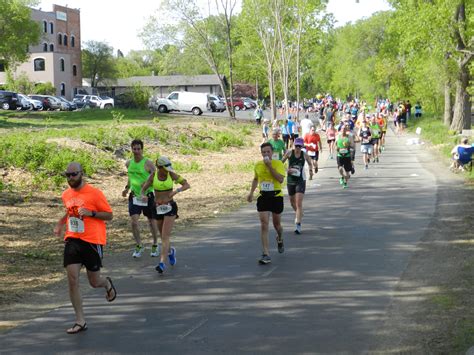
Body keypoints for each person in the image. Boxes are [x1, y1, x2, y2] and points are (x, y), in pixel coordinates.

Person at [54, 162, 115, 334]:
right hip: (73, 239)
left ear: (82, 174)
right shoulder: (66, 194)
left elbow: (109, 215)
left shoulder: (95, 193)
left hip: (92, 241)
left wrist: (91, 213)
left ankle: (107, 283)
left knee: (94, 282)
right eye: (68, 175)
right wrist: (60, 224)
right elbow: (69, 211)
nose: (71, 178)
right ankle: (80, 320)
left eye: (74, 174)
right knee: (72, 279)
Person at [141, 156, 190, 274]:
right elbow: (144, 188)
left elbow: (186, 185)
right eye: (165, 168)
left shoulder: (171, 174)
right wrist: (143, 195)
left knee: (164, 237)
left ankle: (161, 263)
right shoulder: (153, 176)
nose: (168, 170)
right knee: (163, 235)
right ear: (159, 167)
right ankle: (170, 252)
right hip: (157, 208)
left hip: (170, 207)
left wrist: (175, 191)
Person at [247, 142, 285, 264]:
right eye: (264, 152)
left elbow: (280, 179)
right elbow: (255, 179)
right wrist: (251, 193)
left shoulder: (278, 163)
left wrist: (269, 167)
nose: (266, 154)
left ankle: (279, 237)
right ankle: (266, 253)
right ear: (261, 153)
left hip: (276, 196)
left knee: (277, 225)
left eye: (268, 152)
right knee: (264, 224)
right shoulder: (258, 165)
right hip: (263, 196)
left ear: (272, 152)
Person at [122, 139, 159, 258]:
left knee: (151, 221)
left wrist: (147, 183)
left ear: (142, 149)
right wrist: (126, 188)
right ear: (131, 149)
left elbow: (155, 177)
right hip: (134, 196)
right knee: (134, 222)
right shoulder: (128, 163)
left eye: (138, 149)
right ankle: (139, 245)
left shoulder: (148, 163)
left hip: (147, 196)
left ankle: (155, 244)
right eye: (134, 149)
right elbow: (130, 177)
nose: (136, 151)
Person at [282, 137, 313, 234]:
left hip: (300, 180)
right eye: (296, 146)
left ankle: (298, 224)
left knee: (298, 203)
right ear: (294, 145)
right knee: (292, 203)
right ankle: (299, 213)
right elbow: (280, 163)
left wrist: (311, 171)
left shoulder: (304, 154)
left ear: (302, 146)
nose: (298, 148)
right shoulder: (289, 153)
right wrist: (286, 170)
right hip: (291, 180)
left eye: (300, 146)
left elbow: (310, 162)